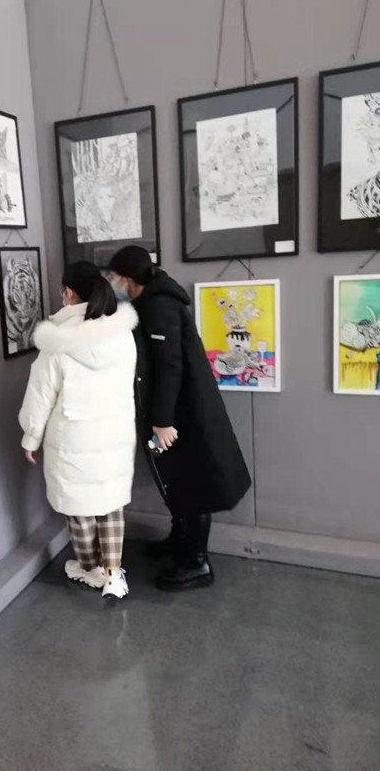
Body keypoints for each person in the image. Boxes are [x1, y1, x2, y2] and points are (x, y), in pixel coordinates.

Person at [107, 246, 252, 591]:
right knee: (178, 479)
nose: (110, 283)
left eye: (113, 277)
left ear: (128, 279)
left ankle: (197, 562)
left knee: (194, 482)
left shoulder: (160, 306)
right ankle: (181, 541)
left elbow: (169, 365)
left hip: (186, 411)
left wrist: (162, 420)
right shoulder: (151, 300)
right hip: (177, 408)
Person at [19, 261, 138, 600]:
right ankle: (114, 576)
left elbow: (41, 394)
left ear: (69, 293)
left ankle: (90, 570)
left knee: (79, 506)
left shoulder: (58, 340)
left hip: (73, 436)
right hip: (115, 432)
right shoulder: (121, 333)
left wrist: (31, 436)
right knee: (111, 503)